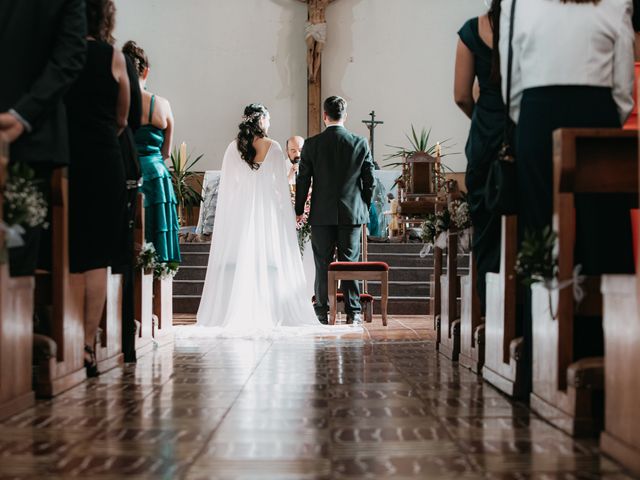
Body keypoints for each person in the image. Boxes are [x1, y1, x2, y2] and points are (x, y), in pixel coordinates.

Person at [501, 0, 635, 390]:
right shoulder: (615, 2)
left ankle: (541, 353)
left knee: (541, 233)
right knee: (602, 236)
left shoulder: (518, 4)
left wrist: (530, 125)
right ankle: (603, 354)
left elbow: (512, 88)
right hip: (597, 119)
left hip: (537, 118)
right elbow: (624, 90)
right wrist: (602, 120)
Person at [194, 104, 353, 337]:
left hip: (240, 215)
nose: (269, 124)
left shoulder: (232, 148)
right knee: (269, 262)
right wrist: (291, 213)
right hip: (266, 214)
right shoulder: (274, 147)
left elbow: (230, 189)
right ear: (261, 120)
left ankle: (241, 307)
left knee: (243, 261)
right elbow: (279, 188)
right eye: (268, 119)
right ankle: (269, 308)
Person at [65, 0, 130, 376]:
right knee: (98, 256)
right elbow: (123, 118)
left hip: (68, 155)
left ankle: (69, 342)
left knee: (70, 247)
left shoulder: (64, 54)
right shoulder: (114, 58)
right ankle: (87, 345)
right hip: (104, 159)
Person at [0, 0, 87, 276]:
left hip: (31, 143)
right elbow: (70, 56)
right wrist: (23, 114)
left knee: (16, 258)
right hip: (33, 135)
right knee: (16, 263)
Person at [296, 96, 375, 325]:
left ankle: (321, 310)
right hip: (352, 213)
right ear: (345, 116)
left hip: (321, 213)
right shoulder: (360, 143)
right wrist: (364, 205)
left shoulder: (312, 144)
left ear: (324, 116)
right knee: (349, 262)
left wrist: (299, 208)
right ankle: (353, 312)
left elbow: (303, 180)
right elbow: (369, 180)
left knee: (322, 262)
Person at [454, 0, 503, 314]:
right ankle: (524, 314)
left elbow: (460, 95)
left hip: (486, 134)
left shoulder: (473, 30)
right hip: (523, 128)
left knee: (487, 226)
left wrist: (483, 119)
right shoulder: (531, 28)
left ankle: (490, 315)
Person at [124, 41, 181, 264]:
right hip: (156, 175)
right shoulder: (162, 105)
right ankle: (158, 287)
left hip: (126, 173)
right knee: (157, 238)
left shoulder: (118, 102)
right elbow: (166, 152)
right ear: (146, 70)